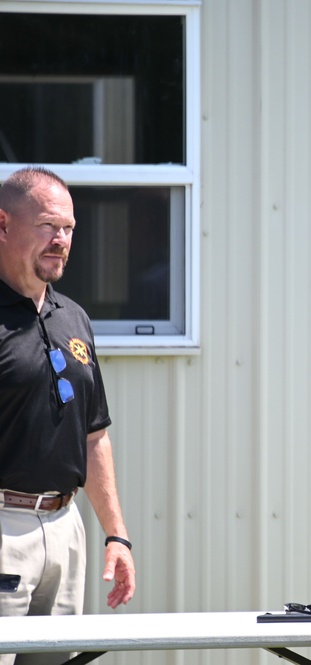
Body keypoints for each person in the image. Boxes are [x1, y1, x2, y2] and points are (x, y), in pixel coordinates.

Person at [0, 167, 135, 664]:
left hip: (66, 527)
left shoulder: (73, 317)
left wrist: (116, 534)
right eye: (48, 226)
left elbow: (94, 435)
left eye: (69, 229)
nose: (61, 240)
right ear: (3, 224)